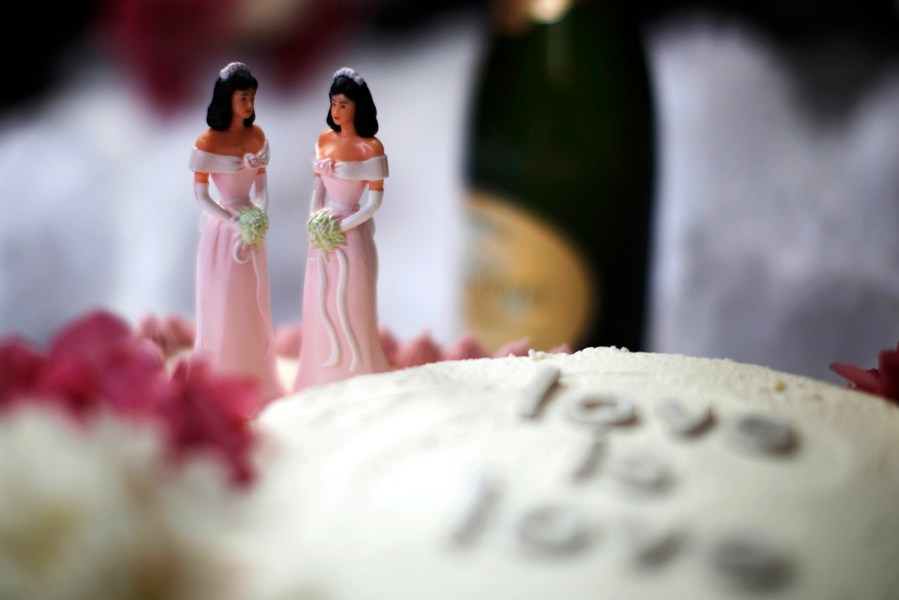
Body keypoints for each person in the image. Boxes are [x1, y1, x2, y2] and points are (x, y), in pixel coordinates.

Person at [188, 62, 283, 401]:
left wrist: (259, 216)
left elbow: (261, 188)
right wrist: (233, 222)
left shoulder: (258, 137)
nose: (249, 104)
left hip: (252, 231)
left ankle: (255, 375)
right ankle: (221, 375)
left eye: (252, 97)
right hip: (222, 231)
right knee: (223, 300)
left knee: (252, 302)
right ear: (227, 99)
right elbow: (202, 197)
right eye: (243, 97)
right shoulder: (207, 142)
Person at [295, 67, 390, 390]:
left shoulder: (371, 149)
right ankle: (321, 373)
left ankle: (357, 373)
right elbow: (318, 189)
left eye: (344, 105)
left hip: (352, 233)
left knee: (351, 301)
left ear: (358, 107)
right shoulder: (323, 140)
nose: (336, 111)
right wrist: (315, 222)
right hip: (321, 236)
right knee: (318, 302)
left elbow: (373, 203)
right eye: (333, 103)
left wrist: (341, 228)